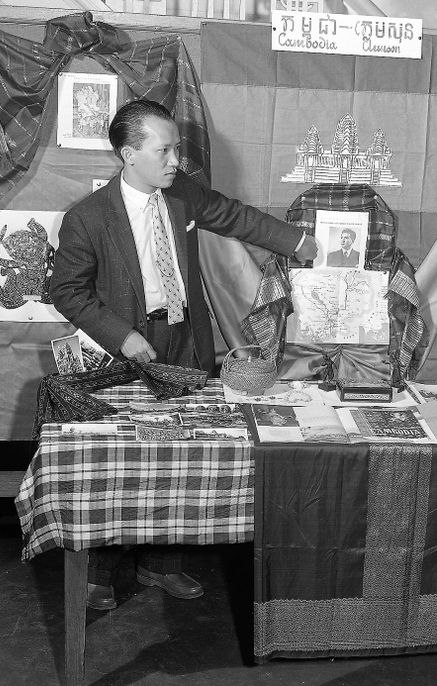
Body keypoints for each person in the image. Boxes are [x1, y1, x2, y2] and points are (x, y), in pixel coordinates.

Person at [50, 99, 318, 611]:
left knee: (178, 450)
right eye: (165, 150)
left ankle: (161, 566)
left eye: (177, 149)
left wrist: (298, 242)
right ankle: (101, 571)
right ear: (129, 154)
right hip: (125, 347)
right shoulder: (86, 219)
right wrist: (121, 335)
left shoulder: (183, 196)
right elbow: (68, 291)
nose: (176, 160)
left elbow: (236, 216)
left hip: (183, 338)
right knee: (125, 456)